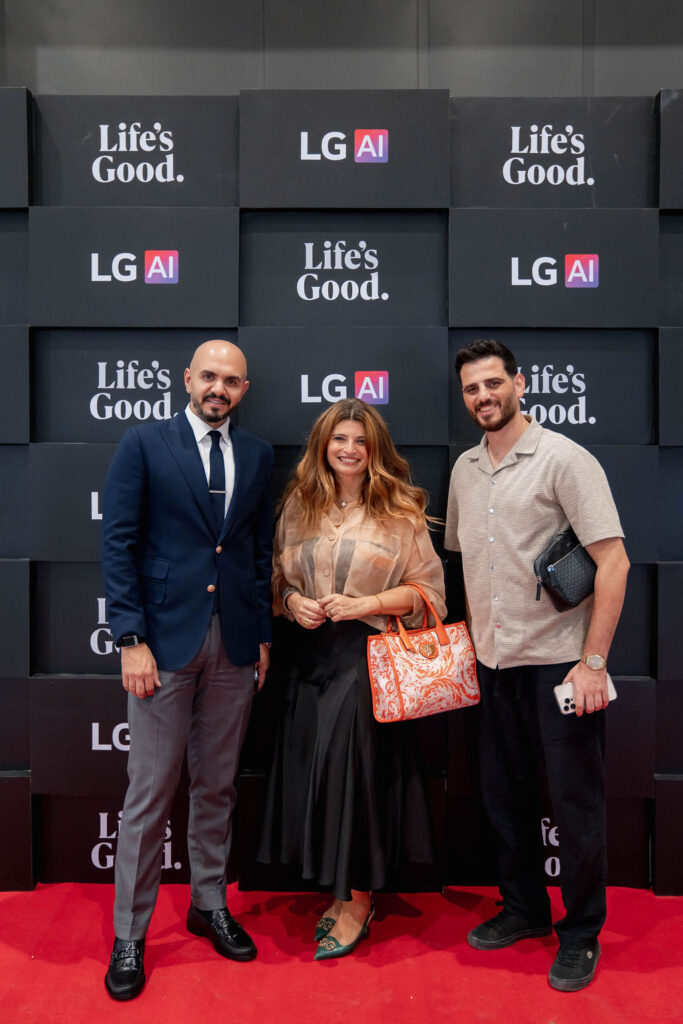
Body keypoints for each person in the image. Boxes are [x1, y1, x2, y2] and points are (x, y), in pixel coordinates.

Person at [445, 338, 629, 992]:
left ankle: (580, 934)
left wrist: (593, 662)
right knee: (503, 799)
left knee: (574, 807)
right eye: (472, 388)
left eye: (493, 383)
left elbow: (613, 562)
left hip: (559, 669)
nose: (483, 396)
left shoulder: (564, 459)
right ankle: (524, 909)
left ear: (519, 384)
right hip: (492, 666)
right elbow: (466, 562)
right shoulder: (465, 469)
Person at [101, 340, 273, 1000]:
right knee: (148, 794)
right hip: (162, 645)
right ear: (187, 380)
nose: (218, 388)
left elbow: (255, 551)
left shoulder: (256, 454)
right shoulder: (144, 443)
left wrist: (260, 634)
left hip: (235, 643)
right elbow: (117, 543)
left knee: (217, 786)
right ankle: (129, 934)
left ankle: (208, 904)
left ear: (243, 389)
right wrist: (130, 638)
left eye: (231, 379)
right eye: (209, 376)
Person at [258, 398, 446, 961]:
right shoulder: (299, 505)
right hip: (307, 661)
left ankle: (358, 900)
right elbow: (274, 579)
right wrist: (293, 601)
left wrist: (368, 602)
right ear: (323, 445)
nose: (349, 449)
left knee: (354, 779)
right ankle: (339, 891)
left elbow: (431, 595)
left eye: (361, 441)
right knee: (321, 777)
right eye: (339, 438)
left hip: (367, 660)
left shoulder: (400, 509)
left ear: (375, 450)